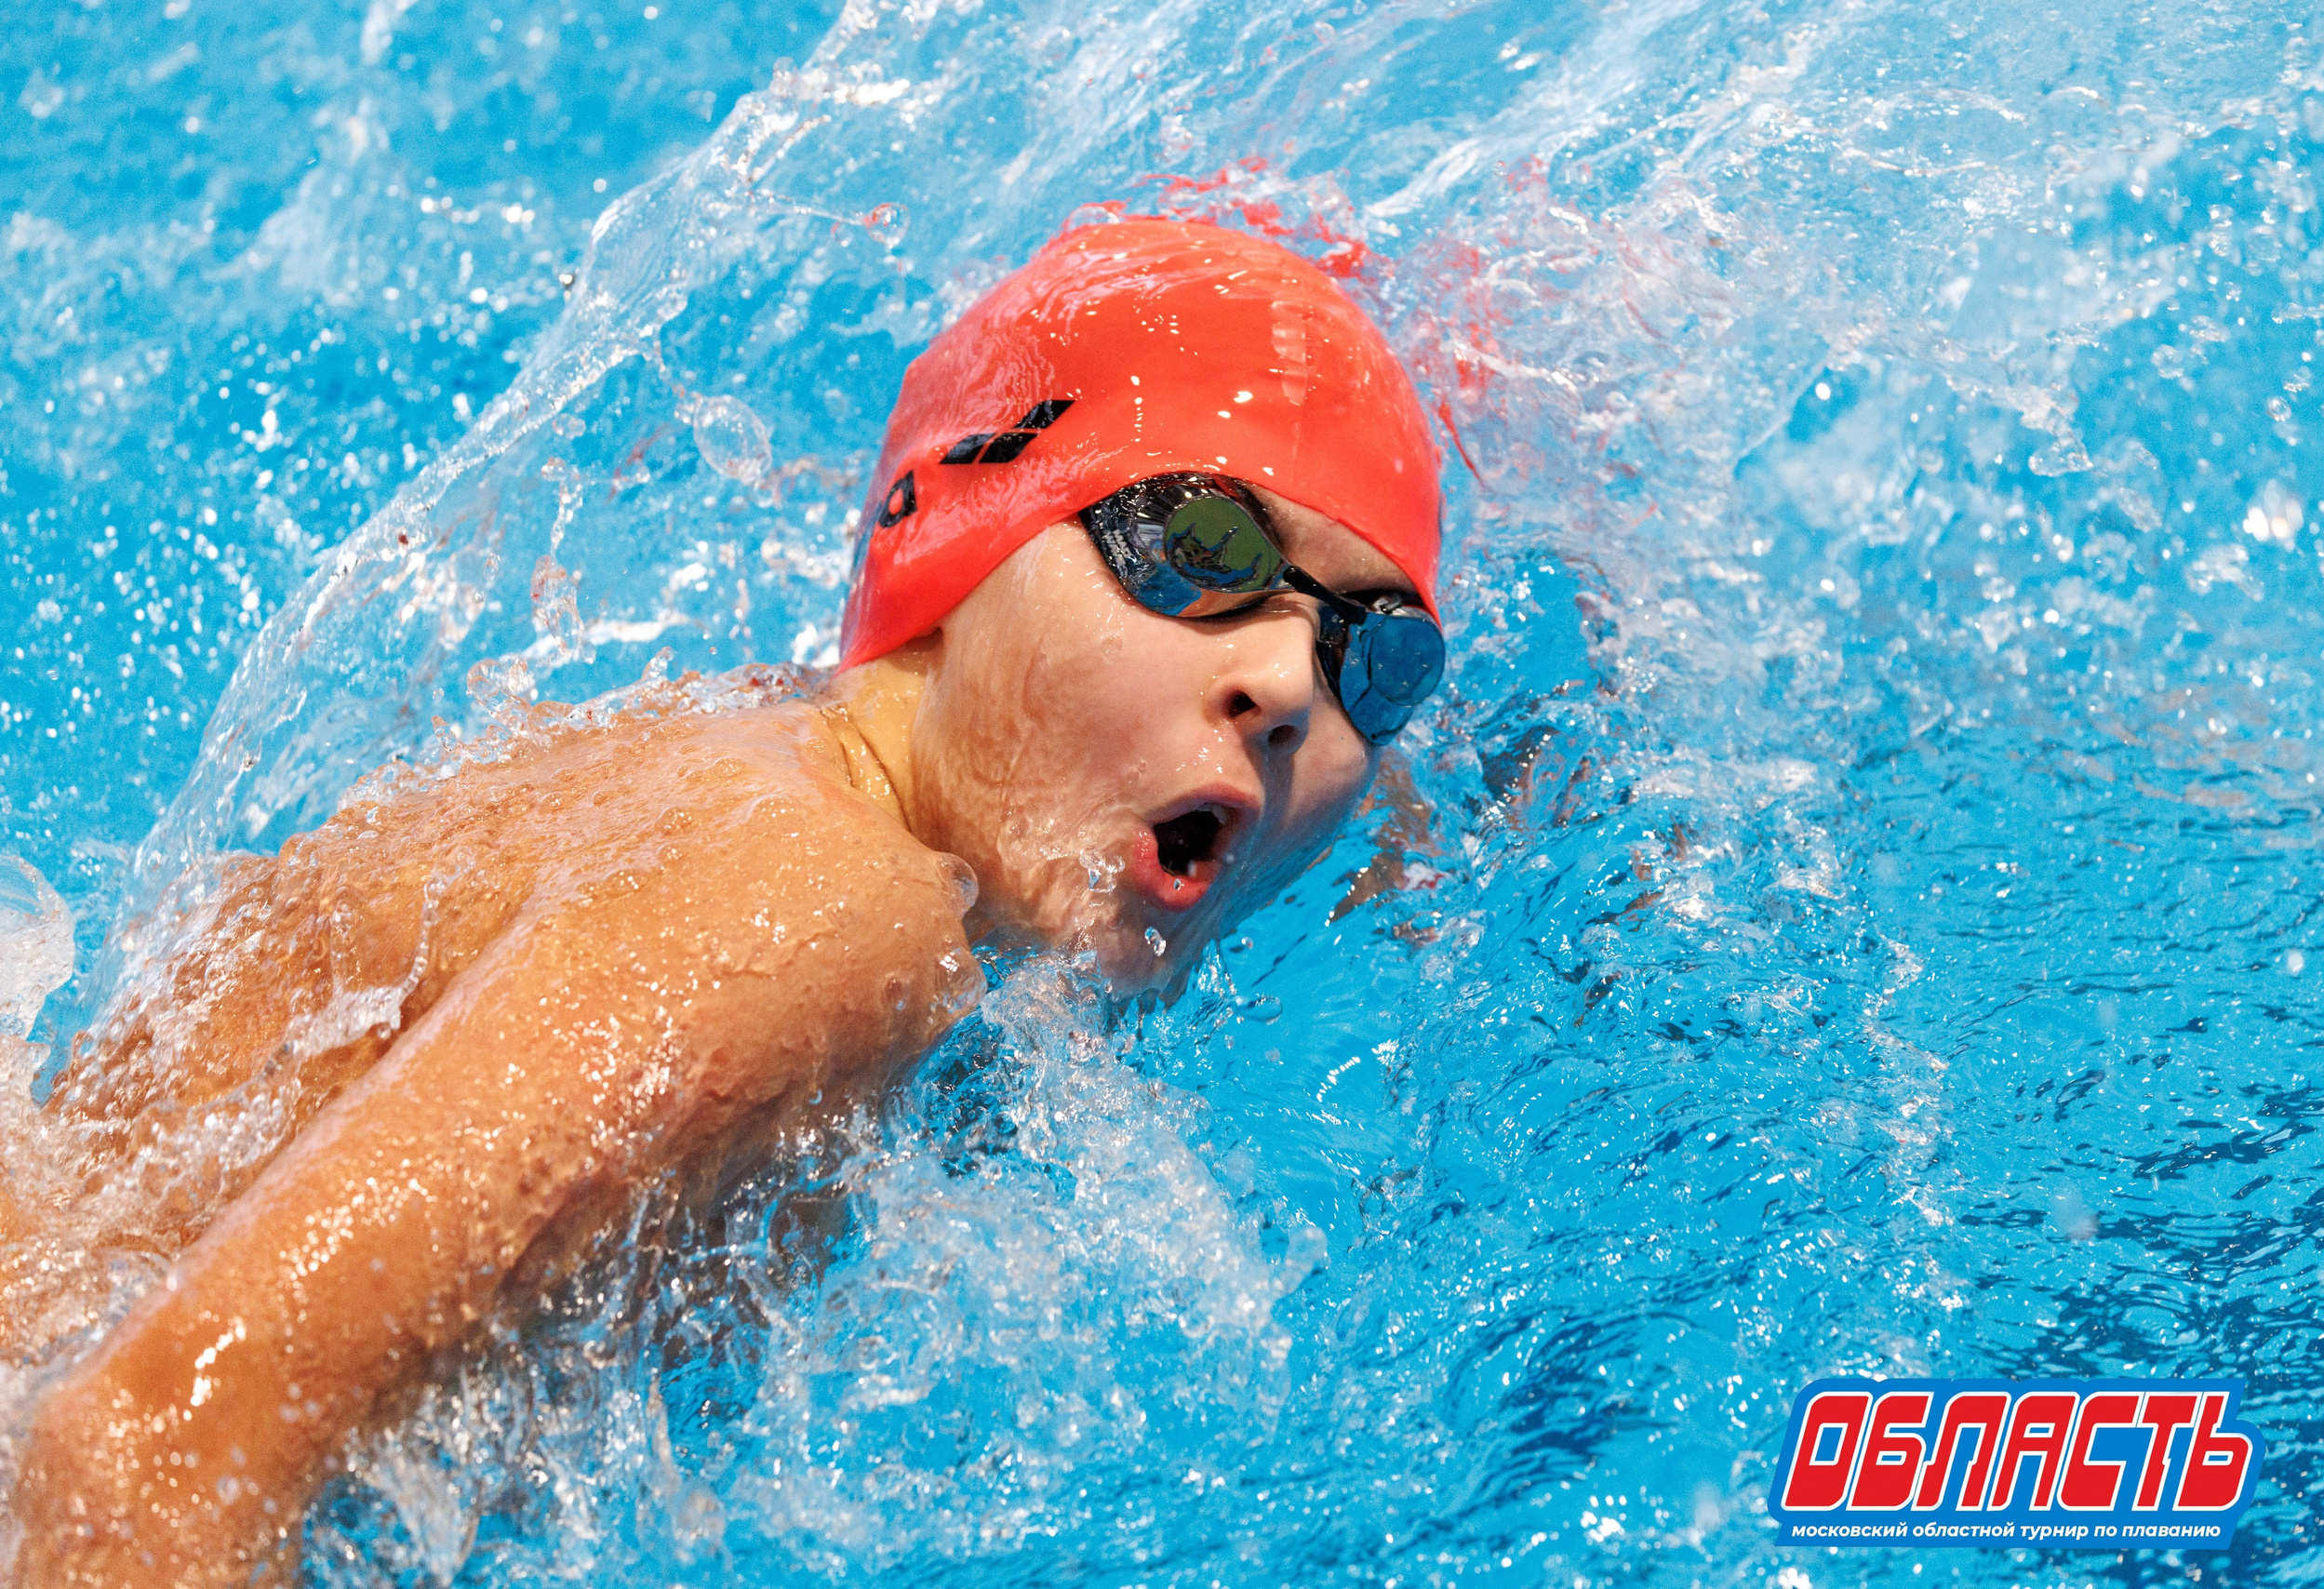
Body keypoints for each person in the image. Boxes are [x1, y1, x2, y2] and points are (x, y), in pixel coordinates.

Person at [4, 216, 1447, 1587]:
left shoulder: (763, 775)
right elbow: (141, 1460)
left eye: (1371, 660)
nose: (1281, 692)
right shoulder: (822, 913)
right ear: (950, 528)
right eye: (1198, 549)